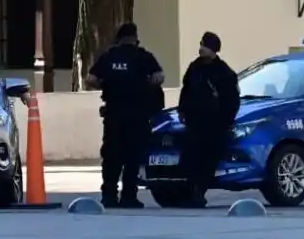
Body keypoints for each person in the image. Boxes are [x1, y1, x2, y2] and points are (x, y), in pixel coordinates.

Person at [85, 22, 164, 209]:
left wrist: (108, 85)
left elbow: (90, 79)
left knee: (112, 156)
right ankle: (129, 196)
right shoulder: (144, 56)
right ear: (135, 38)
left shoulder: (109, 56)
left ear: (119, 39)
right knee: (133, 157)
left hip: (114, 114)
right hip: (137, 115)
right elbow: (159, 77)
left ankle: (109, 196)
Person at [177, 32, 240, 208]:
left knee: (208, 160)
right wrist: (182, 110)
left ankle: (199, 193)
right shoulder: (194, 67)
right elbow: (186, 90)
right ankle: (190, 192)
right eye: (201, 44)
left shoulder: (224, 72)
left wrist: (226, 121)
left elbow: (232, 100)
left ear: (213, 49)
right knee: (190, 158)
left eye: (205, 46)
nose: (201, 49)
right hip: (194, 122)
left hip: (214, 125)